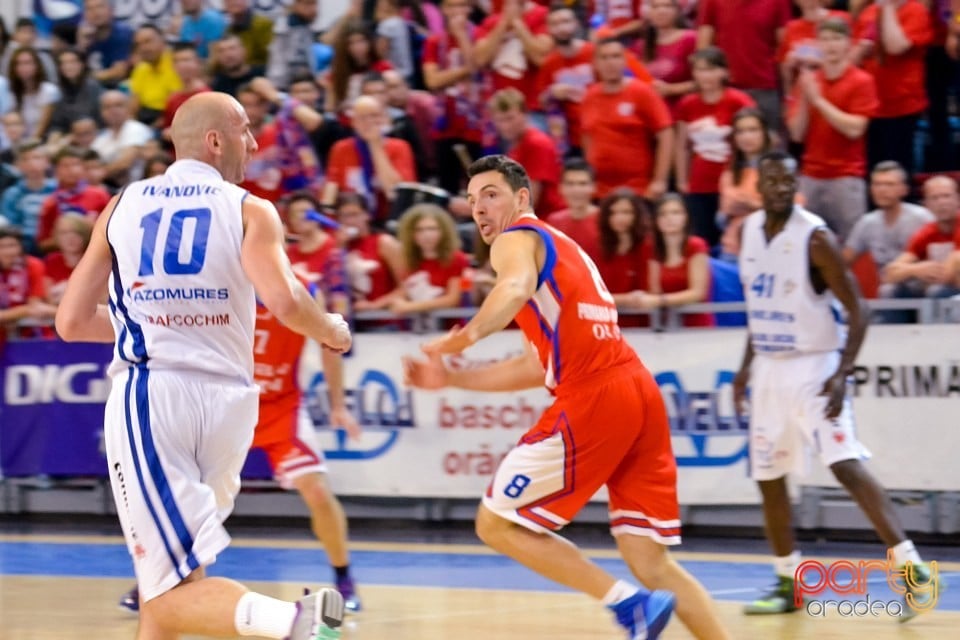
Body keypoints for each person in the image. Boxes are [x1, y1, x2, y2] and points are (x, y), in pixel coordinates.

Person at [54, 91, 350, 640]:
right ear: (215, 140)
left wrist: (153, 323)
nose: (255, 143)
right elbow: (285, 304)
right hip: (231, 406)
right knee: (172, 588)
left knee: (165, 598)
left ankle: (297, 622)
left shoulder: (121, 206)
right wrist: (331, 329)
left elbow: (70, 322)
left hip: (155, 398)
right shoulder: (250, 209)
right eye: (245, 131)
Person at [402, 155, 730, 640]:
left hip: (596, 394)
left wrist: (463, 338)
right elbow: (536, 366)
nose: (479, 209)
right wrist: (453, 380)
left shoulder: (515, 240)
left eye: (490, 195)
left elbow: (511, 289)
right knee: (648, 558)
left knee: (495, 524)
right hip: (637, 390)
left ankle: (628, 606)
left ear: (521, 198)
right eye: (472, 200)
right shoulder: (563, 247)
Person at [734, 151, 940, 618]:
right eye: (773, 182)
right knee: (767, 477)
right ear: (759, 188)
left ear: (796, 185)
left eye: (789, 182)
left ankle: (913, 573)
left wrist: (842, 373)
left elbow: (858, 309)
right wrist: (746, 367)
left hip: (814, 365)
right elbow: (759, 308)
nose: (782, 189)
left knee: (846, 464)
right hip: (769, 365)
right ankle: (788, 581)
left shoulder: (815, 237)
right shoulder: (748, 232)